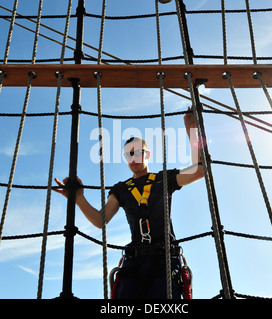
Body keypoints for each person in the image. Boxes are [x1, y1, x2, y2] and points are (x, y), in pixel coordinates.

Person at [53, 107, 204, 299]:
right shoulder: (121, 189)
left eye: (138, 152)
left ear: (148, 154)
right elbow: (101, 220)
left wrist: (192, 128)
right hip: (135, 263)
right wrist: (79, 199)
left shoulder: (164, 179)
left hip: (165, 260)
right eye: (128, 155)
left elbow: (200, 170)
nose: (133, 159)